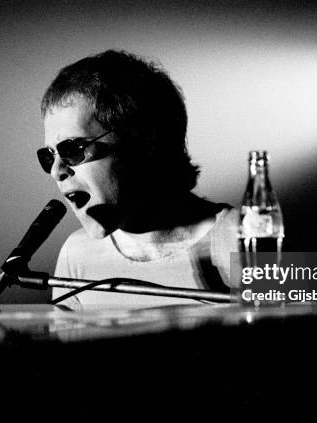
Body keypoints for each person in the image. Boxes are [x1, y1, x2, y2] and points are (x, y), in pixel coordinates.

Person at [38, 50, 238, 309]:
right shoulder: (75, 254)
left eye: (71, 149)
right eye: (48, 155)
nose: (56, 171)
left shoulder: (249, 238)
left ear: (141, 144)